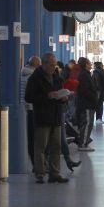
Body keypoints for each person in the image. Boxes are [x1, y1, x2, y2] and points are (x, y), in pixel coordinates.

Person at [24, 53, 69, 184]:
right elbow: (29, 97)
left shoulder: (57, 77)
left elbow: (60, 92)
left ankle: (55, 173)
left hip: (56, 116)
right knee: (40, 147)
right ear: (43, 64)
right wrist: (47, 96)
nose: (53, 67)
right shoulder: (35, 78)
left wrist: (63, 98)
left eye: (55, 64)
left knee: (56, 146)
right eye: (51, 64)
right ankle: (40, 173)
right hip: (42, 117)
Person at [21, 56, 41, 167]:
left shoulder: (21, 74)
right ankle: (36, 163)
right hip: (32, 109)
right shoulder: (33, 77)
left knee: (29, 137)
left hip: (24, 108)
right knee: (34, 138)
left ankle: (34, 162)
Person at [75, 57, 97, 151]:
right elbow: (84, 91)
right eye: (89, 63)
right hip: (86, 104)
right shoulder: (84, 75)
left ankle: (85, 141)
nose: (91, 64)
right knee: (87, 123)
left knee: (88, 123)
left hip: (88, 103)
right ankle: (83, 144)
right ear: (86, 64)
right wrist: (94, 99)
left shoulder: (86, 74)